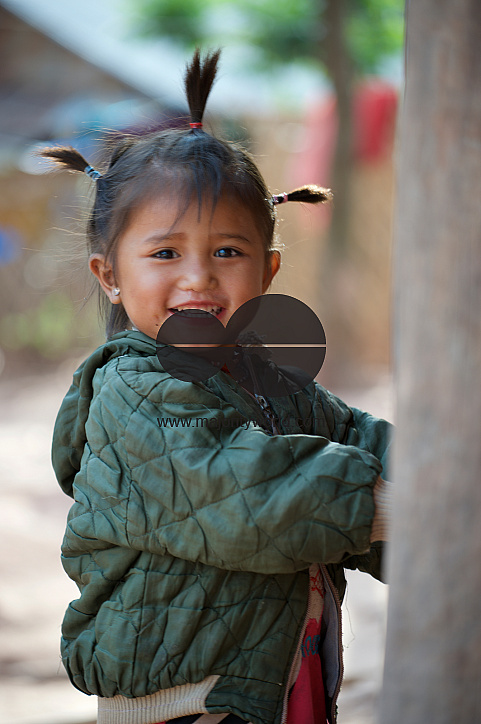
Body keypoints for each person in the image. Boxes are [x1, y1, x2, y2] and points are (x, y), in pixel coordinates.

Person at [47, 50, 393, 724]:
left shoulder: (272, 381)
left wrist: (439, 482)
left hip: (275, 678)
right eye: (165, 253)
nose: (199, 278)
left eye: (227, 252)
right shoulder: (132, 391)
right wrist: (397, 506)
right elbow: (247, 490)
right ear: (109, 274)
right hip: (183, 704)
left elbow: (358, 437)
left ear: (266, 271)